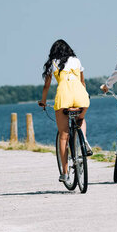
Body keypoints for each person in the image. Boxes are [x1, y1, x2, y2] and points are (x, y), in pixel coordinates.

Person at [39, 39, 92, 182]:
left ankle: (65, 172)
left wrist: (43, 102)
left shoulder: (52, 63)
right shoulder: (76, 60)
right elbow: (82, 82)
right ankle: (84, 141)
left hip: (64, 97)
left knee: (63, 136)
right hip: (81, 96)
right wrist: (84, 96)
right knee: (80, 119)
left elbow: (46, 87)